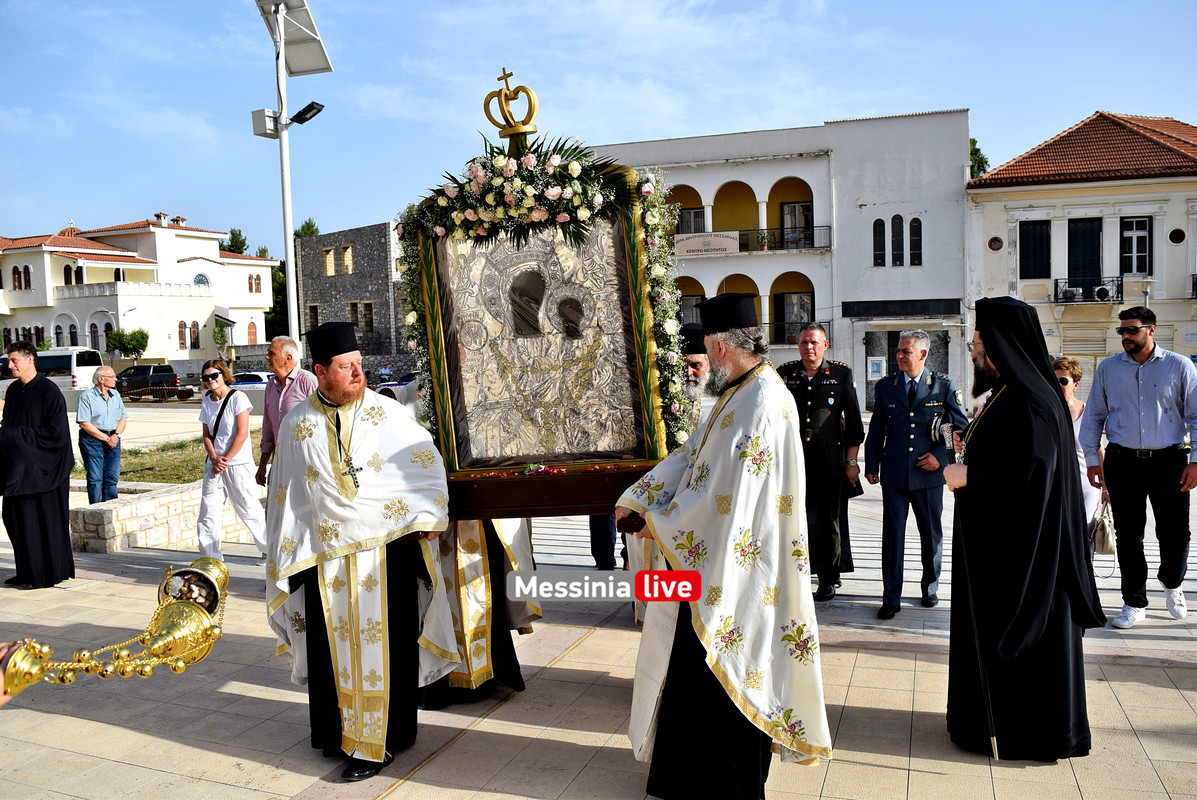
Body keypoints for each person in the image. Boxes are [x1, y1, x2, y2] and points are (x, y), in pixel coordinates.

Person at [616, 293, 831, 800]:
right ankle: (689, 780)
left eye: (708, 351)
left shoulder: (760, 402)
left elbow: (726, 500)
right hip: (718, 565)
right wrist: (639, 497)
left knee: (726, 670)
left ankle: (727, 786)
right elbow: (693, 458)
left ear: (719, 348)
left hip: (737, 573)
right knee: (698, 674)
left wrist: (658, 523)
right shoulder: (741, 392)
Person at [266, 321, 459, 782]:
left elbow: (426, 465)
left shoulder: (388, 414)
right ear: (320, 371)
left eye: (359, 364)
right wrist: (286, 553)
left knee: (385, 650)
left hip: (385, 559)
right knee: (332, 655)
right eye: (346, 366)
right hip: (324, 563)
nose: (358, 373)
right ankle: (338, 735)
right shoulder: (296, 425)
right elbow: (285, 495)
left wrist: (430, 515)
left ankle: (379, 743)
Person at [943, 296, 1105, 761]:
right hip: (1004, 553)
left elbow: (1033, 478)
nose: (975, 354)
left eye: (979, 345)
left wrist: (971, 476)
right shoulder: (1009, 394)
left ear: (1003, 346)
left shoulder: (1032, 401)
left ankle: (1025, 735)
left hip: (1029, 564)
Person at [1080, 306, 1197, 629]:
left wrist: (1196, 461)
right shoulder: (1108, 368)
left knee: (1175, 532)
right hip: (1122, 461)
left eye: (1132, 330)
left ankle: (1172, 583)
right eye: (1122, 331)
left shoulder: (1179, 366)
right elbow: (1094, 416)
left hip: (1170, 460)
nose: (1126, 336)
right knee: (1129, 535)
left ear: (1151, 330)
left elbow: (1196, 416)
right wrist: (1093, 460)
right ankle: (1134, 601)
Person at [864, 329, 967, 619]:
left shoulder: (943, 386)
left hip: (928, 477)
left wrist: (939, 458)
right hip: (895, 474)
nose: (898, 356)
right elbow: (877, 429)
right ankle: (891, 597)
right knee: (892, 537)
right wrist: (871, 465)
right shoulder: (887, 387)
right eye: (898, 350)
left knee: (931, 535)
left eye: (905, 351)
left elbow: (959, 430)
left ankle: (930, 587)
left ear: (922, 354)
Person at [776, 322, 864, 601]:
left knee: (829, 521)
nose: (809, 347)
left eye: (814, 342)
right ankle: (799, 572)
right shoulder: (785, 373)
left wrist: (851, 462)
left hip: (829, 461)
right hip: (793, 459)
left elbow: (854, 425)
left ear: (825, 345)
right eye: (804, 342)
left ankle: (828, 578)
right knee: (796, 518)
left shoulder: (840, 373)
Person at [1, 341, 74, 589]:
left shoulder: (49, 391)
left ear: (30, 358)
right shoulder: (13, 391)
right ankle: (26, 572)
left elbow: (55, 435)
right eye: (8, 361)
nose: (10, 365)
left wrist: (11, 436)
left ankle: (44, 575)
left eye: (14, 360)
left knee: (41, 523)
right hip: (19, 470)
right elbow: (8, 425)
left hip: (45, 470)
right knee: (16, 520)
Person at [196, 360, 267, 563]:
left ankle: (269, 549)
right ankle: (210, 558)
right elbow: (206, 434)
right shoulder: (207, 401)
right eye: (206, 377)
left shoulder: (238, 398)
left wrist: (225, 459)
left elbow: (242, 433)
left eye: (214, 375)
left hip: (237, 463)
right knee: (208, 512)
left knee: (248, 508)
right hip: (214, 465)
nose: (210, 380)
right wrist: (213, 457)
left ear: (223, 374)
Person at [255, 335, 318, 488]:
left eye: (272, 353)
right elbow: (268, 429)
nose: (267, 357)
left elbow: (321, 422)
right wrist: (262, 465)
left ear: (287, 358)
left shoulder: (308, 381)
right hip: (279, 461)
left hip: (306, 462)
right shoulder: (271, 385)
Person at [1052, 357, 1106, 535]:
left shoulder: (1087, 413)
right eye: (1053, 380)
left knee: (1083, 534)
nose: (1057, 385)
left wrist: (1107, 488)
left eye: (1063, 381)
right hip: (1054, 486)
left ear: (1076, 385)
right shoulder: (1045, 412)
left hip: (1085, 485)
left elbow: (1099, 451)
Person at [75, 366, 127, 504]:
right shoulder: (86, 397)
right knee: (95, 478)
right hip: (92, 440)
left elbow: (123, 418)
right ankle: (96, 508)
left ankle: (110, 506)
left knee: (111, 477)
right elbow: (84, 423)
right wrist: (106, 438)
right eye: (112, 376)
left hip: (114, 439)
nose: (115, 379)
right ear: (101, 379)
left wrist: (116, 436)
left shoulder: (115, 395)